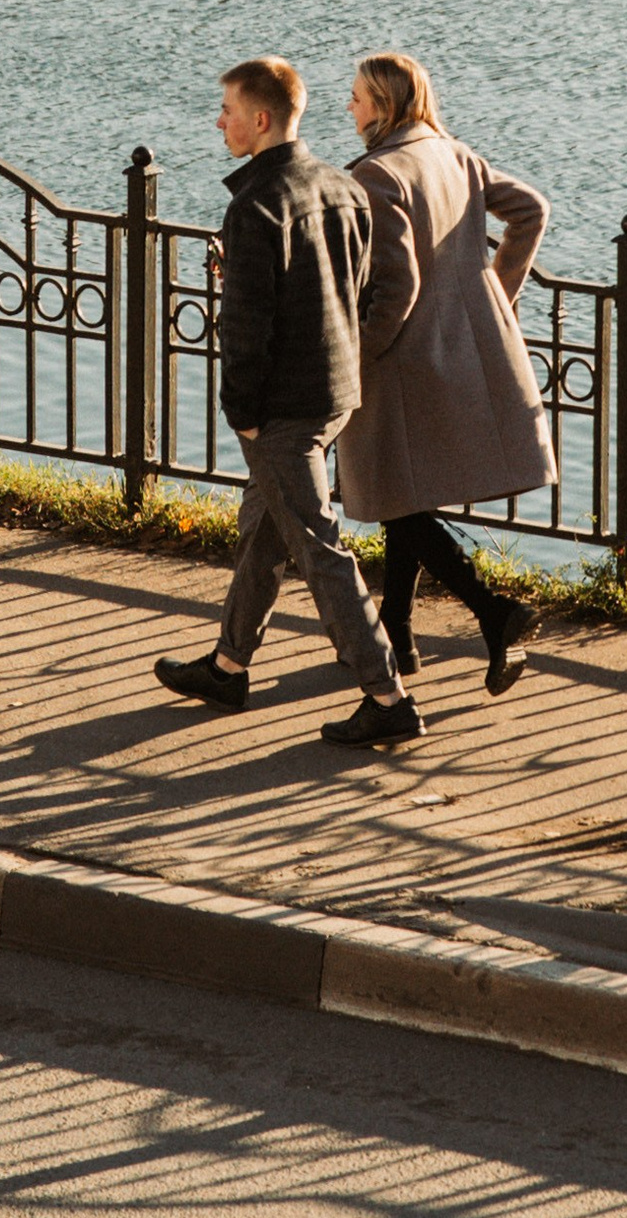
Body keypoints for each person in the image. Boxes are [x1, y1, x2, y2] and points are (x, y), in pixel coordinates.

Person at [155, 56, 423, 754]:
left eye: (228, 112)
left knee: (317, 547)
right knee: (268, 527)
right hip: (336, 391)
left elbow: (249, 325)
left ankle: (387, 695)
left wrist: (240, 410)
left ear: (262, 120)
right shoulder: (341, 186)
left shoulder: (255, 207)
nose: (220, 122)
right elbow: (355, 288)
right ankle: (227, 667)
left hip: (282, 407)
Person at [335, 51, 551, 695]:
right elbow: (532, 211)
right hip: (457, 349)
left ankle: (494, 610)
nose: (348, 107)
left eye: (355, 97)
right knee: (409, 495)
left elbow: (395, 287)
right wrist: (494, 296)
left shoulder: (378, 175)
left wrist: (358, 353)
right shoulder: (455, 154)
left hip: (401, 361)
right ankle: (397, 637)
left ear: (382, 105)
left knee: (397, 500)